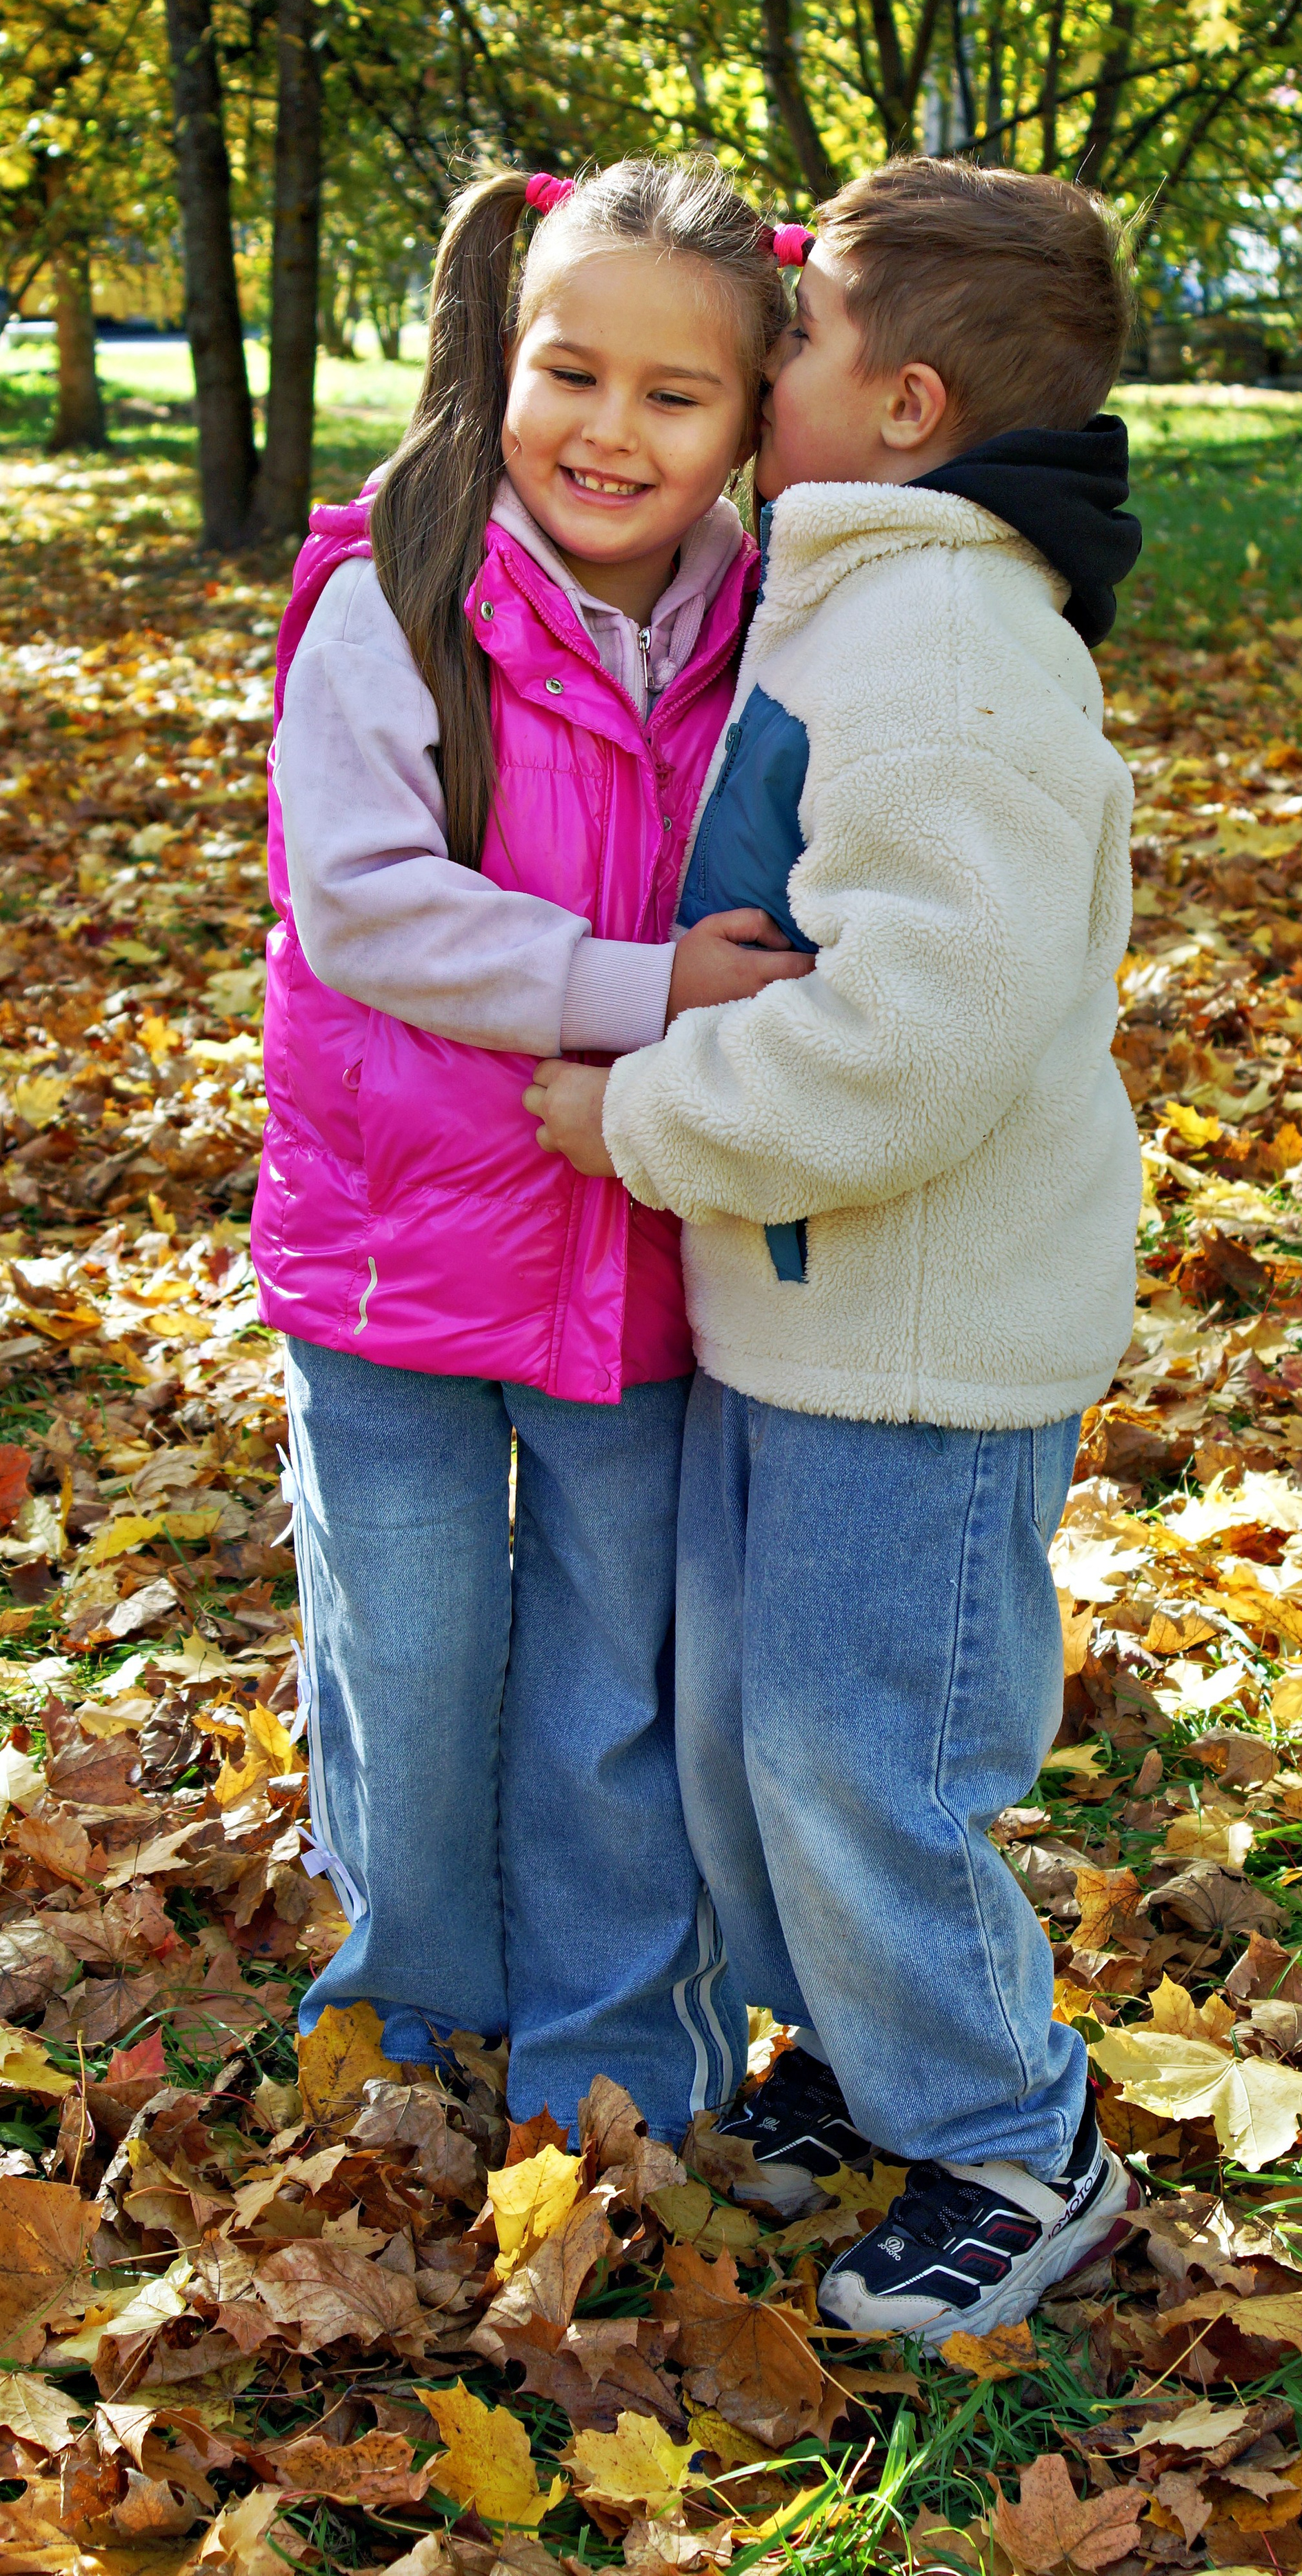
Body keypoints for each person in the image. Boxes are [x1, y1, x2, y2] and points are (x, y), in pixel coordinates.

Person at [522, 157, 1145, 2339]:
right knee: (745, 1734)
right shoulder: (850, 591)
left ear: (900, 404)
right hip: (796, 1316)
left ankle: (1010, 2133)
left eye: (791, 332)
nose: (751, 351)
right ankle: (864, 2061)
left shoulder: (957, 645)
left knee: (858, 1747)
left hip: (922, 1337)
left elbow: (923, 1036)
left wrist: (646, 1117)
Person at [256, 157, 815, 2139]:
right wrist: (645, 985)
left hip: (647, 1249)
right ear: (505, 351)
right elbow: (369, 906)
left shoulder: (778, 624)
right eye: (572, 372)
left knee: (611, 1700)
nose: (610, 430)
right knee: (408, 1659)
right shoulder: (399, 592)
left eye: (677, 396)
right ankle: (400, 2019)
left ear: (757, 419)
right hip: (399, 1251)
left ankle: (609, 2072)